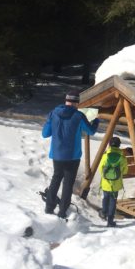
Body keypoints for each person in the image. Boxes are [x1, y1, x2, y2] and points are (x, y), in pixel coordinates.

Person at [42, 91, 99, 219]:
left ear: (66, 101)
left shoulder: (53, 113)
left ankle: (49, 208)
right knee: (68, 184)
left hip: (57, 155)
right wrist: (96, 121)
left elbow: (45, 134)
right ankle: (62, 212)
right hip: (73, 156)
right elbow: (90, 131)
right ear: (77, 103)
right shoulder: (79, 115)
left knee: (56, 179)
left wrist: (49, 122)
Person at [98, 136, 128, 227]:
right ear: (119, 145)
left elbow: (100, 169)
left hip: (106, 183)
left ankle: (103, 213)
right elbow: (125, 171)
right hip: (116, 184)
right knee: (113, 201)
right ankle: (110, 220)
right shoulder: (122, 157)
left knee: (105, 197)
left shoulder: (105, 155)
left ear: (110, 145)